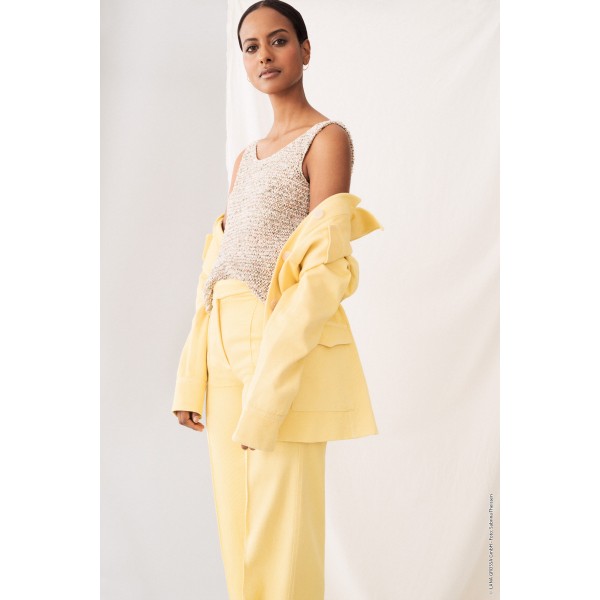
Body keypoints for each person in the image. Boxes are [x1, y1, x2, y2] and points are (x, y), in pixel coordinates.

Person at [171, 1, 383, 598]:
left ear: (305, 50)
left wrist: (271, 386)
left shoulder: (327, 139)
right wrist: (191, 375)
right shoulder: (245, 159)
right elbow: (216, 269)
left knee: (283, 525)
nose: (264, 54)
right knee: (237, 524)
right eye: (250, 46)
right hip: (221, 345)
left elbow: (322, 272)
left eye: (279, 40)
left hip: (278, 341)